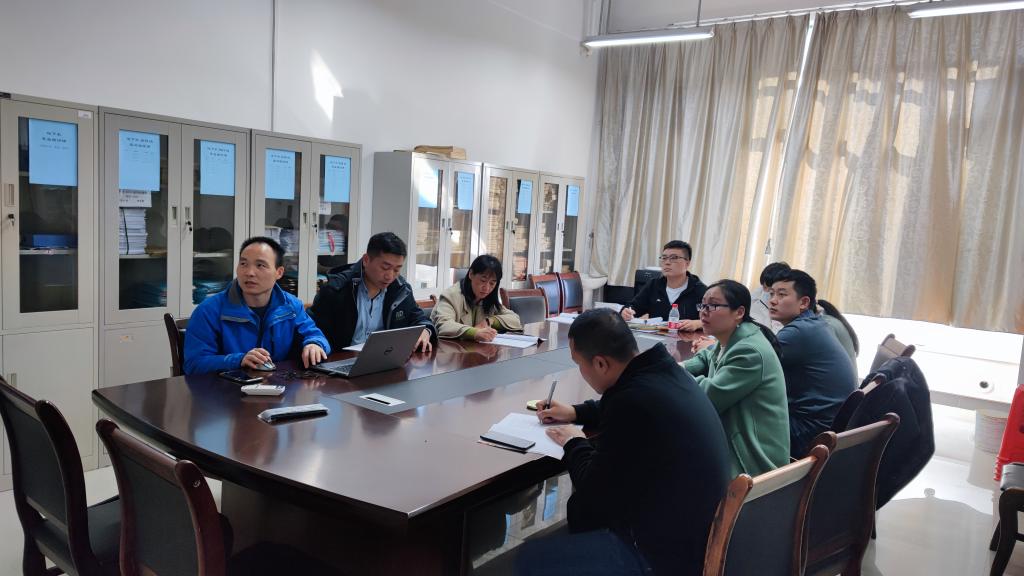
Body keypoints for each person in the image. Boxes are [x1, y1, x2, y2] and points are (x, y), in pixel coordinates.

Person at [518, 309, 730, 576]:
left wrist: (574, 442)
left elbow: (593, 491)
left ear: (600, 364)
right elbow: (624, 402)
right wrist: (575, 412)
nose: (580, 371)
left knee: (530, 558)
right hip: (700, 533)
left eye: (579, 363)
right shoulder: (662, 371)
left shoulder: (632, 401)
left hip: (664, 557)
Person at [683, 279, 790, 477]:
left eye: (713, 305)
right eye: (702, 305)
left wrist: (673, 373)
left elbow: (708, 397)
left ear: (739, 312)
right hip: (731, 440)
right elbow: (707, 356)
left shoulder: (749, 351)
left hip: (751, 461)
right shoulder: (733, 337)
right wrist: (680, 367)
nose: (704, 312)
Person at [184, 236, 330, 375]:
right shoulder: (209, 310)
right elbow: (194, 364)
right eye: (243, 264)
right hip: (227, 389)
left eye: (260, 265)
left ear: (279, 272)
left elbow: (314, 334)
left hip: (278, 386)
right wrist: (239, 360)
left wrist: (314, 344)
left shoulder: (291, 306)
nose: (249, 272)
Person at [769, 269, 858, 458]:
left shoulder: (798, 332)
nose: (773, 301)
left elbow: (751, 357)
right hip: (829, 427)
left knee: (738, 419)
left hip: (809, 433)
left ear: (803, 302)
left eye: (781, 295)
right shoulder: (815, 323)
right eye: (772, 294)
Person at [308, 232, 436, 353]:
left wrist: (425, 331)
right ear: (366, 260)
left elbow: (419, 318)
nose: (390, 276)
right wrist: (314, 344)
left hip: (384, 359)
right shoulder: (336, 290)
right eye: (385, 267)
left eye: (397, 270)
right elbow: (312, 329)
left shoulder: (401, 290)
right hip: (341, 361)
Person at [620, 240, 706, 331]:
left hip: (686, 337)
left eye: (674, 258)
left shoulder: (700, 290)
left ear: (687, 263)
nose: (667, 262)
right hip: (656, 336)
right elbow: (633, 307)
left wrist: (698, 323)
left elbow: (713, 320)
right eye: (664, 258)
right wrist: (625, 312)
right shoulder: (654, 285)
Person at [431, 255, 521, 341]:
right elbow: (444, 325)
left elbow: (515, 319)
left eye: (492, 283)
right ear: (471, 274)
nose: (487, 288)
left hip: (472, 348)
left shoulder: (488, 299)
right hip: (446, 349)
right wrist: (474, 333)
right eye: (483, 280)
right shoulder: (451, 295)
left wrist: (490, 321)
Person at [750, 261, 789, 333]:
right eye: (764, 287)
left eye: (771, 289)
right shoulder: (755, 297)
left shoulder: (787, 303)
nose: (766, 291)